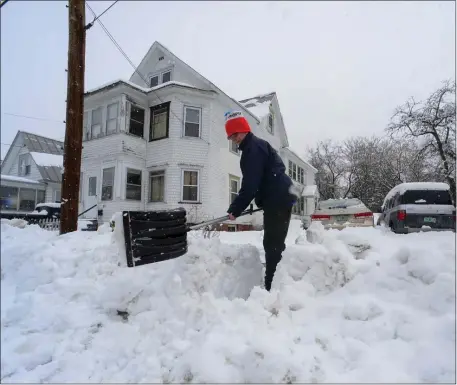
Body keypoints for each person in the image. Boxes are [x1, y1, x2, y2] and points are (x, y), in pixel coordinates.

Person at [224, 110, 298, 291]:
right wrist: (261, 200)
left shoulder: (253, 150)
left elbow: (250, 185)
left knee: (272, 243)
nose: (233, 139)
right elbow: (263, 179)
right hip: (278, 197)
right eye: (231, 136)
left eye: (235, 135)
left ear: (243, 130)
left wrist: (235, 209)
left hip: (278, 198)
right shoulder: (256, 146)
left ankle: (272, 285)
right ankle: (275, 279)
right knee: (274, 241)